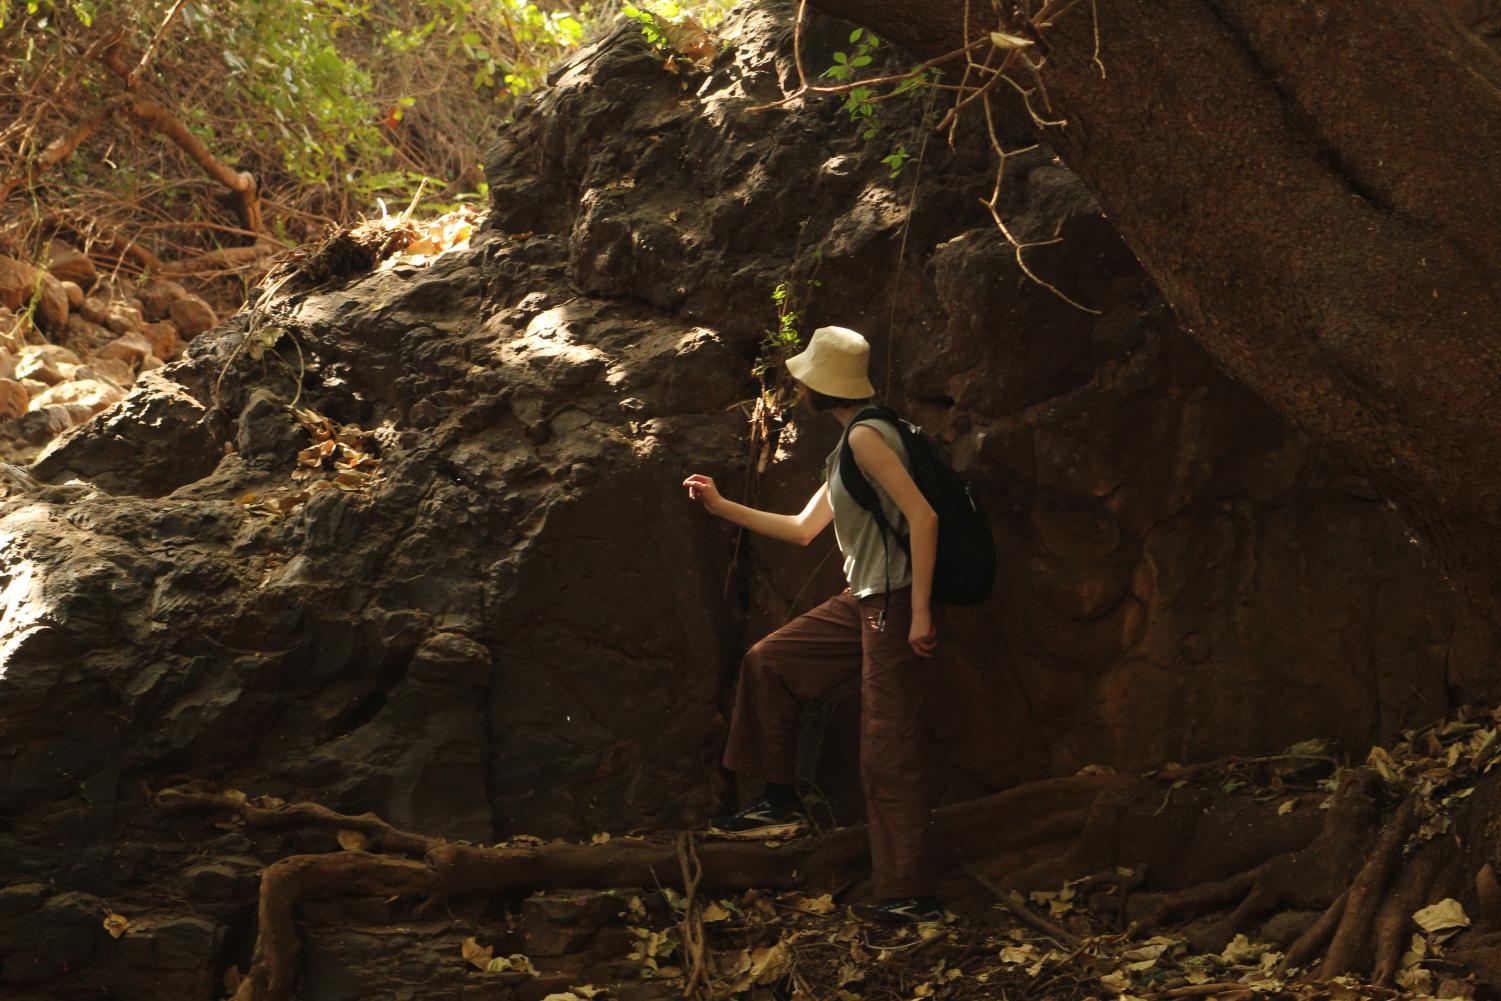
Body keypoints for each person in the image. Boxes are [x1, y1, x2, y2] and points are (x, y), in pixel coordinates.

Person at [682, 324, 944, 925]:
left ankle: (911, 895)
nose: (797, 386)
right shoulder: (851, 441)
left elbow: (924, 519)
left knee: (888, 749)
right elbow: (804, 529)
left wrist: (922, 611)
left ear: (820, 389)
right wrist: (721, 507)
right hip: (865, 602)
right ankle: (779, 800)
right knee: (769, 662)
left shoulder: (869, 439)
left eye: (803, 379)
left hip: (894, 605)